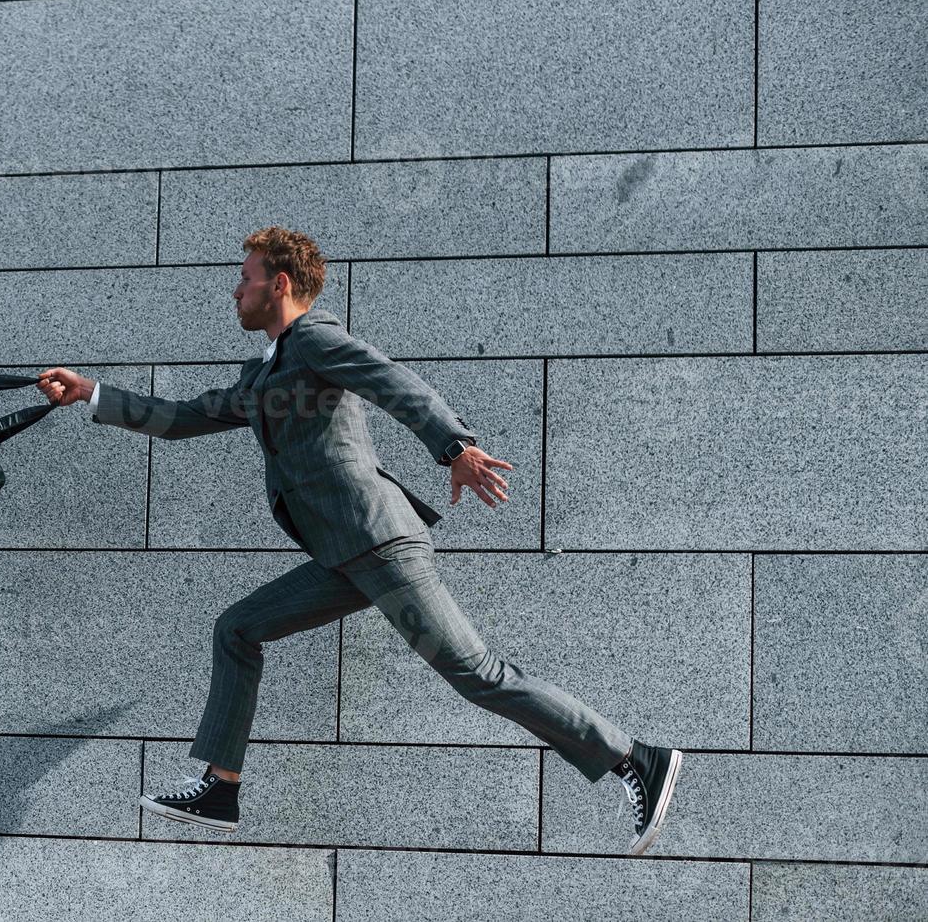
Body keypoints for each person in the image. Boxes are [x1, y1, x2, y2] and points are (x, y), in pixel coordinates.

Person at [36, 226, 682, 855]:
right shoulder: (268, 370)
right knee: (238, 629)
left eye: (245, 278)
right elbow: (184, 419)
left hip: (379, 545)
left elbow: (393, 381)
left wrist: (453, 445)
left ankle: (636, 759)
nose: (235, 291)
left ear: (279, 283)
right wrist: (91, 393)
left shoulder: (316, 339)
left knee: (478, 675)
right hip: (345, 556)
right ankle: (220, 788)